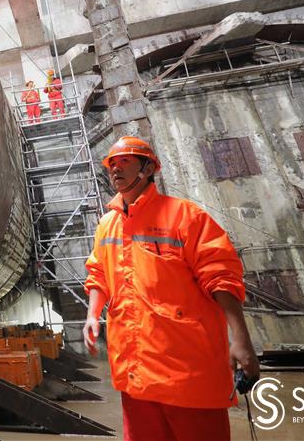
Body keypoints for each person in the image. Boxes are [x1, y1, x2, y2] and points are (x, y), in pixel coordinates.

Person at [82, 136, 259, 441]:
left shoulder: (185, 217)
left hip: (186, 371)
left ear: (148, 168)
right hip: (134, 369)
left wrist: (240, 340)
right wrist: (92, 314)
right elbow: (98, 272)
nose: (115, 169)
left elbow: (220, 277)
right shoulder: (108, 224)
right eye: (112, 164)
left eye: (125, 161)